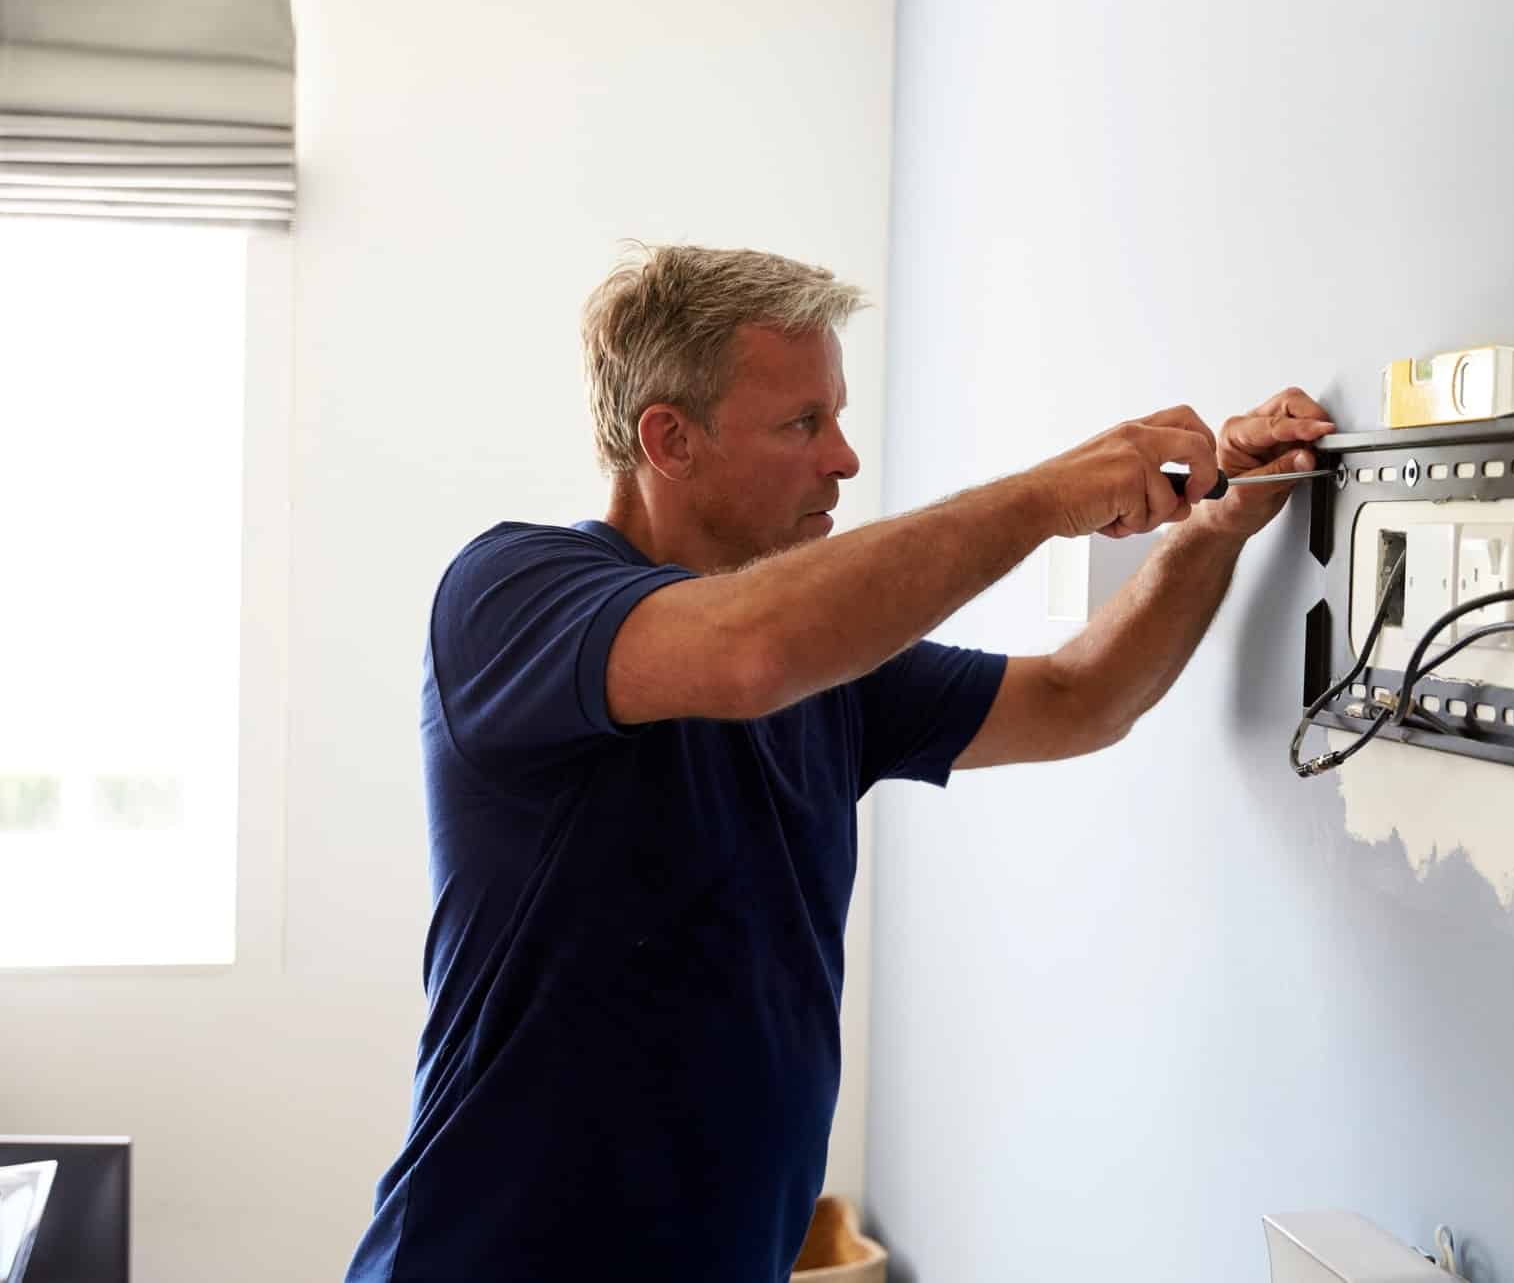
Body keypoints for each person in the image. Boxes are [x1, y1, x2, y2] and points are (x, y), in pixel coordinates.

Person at [343, 245, 1335, 1283]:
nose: (844, 459)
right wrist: (1048, 496)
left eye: (838, 416)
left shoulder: (831, 670)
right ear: (668, 439)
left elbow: (1079, 697)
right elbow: (747, 653)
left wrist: (1222, 520)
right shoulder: (511, 593)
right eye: (801, 423)